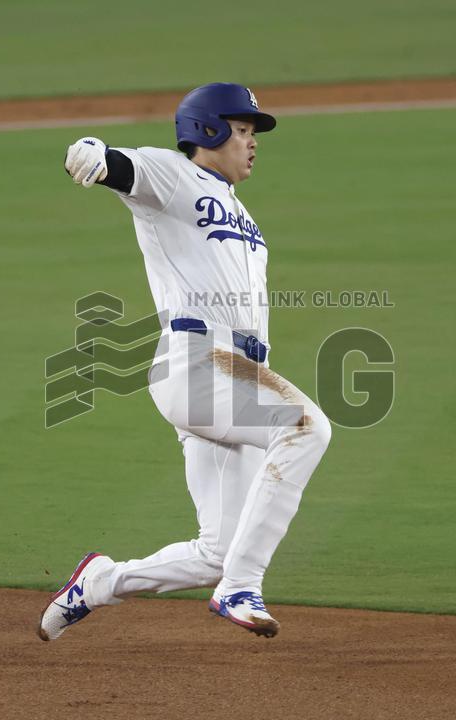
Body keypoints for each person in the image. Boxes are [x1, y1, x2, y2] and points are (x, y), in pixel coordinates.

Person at [38, 83, 333, 640]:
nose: (253, 143)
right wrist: (91, 153)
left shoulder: (244, 215)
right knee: (306, 428)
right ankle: (242, 587)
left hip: (233, 373)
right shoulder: (173, 176)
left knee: (218, 550)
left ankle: (98, 583)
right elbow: (117, 165)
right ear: (209, 131)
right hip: (196, 362)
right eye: (243, 130)